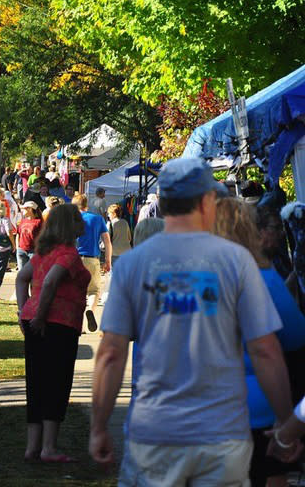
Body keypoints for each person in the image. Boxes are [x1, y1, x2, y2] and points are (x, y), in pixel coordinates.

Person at [90, 157, 294, 486]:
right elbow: (266, 350)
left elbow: (111, 352)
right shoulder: (237, 261)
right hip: (222, 434)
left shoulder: (133, 264)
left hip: (154, 432)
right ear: (205, 201)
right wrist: (286, 422)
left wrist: (99, 425)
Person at [214, 197, 305, 487]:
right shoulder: (262, 276)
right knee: (270, 475)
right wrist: (286, 419)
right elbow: (295, 336)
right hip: (256, 406)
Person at [16, 204, 90, 463]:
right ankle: (48, 448)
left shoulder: (43, 252)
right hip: (57, 324)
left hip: (34, 321)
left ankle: (32, 447)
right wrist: (39, 314)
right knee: (57, 383)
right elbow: (50, 282)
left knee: (36, 383)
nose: (83, 223)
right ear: (70, 224)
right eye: (78, 219)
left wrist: (23, 309)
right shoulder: (68, 254)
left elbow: (21, 278)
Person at [72, 194, 112, 332]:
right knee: (94, 290)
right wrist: (108, 260)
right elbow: (107, 241)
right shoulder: (97, 219)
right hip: (92, 259)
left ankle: (79, 325)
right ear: (86, 205)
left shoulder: (70, 220)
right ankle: (90, 310)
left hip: (74, 259)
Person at [16, 201, 43, 270]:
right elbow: (18, 234)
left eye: (24, 209)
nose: (22, 210)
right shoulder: (22, 221)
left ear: (30, 209)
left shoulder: (39, 222)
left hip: (34, 251)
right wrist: (17, 248)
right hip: (21, 250)